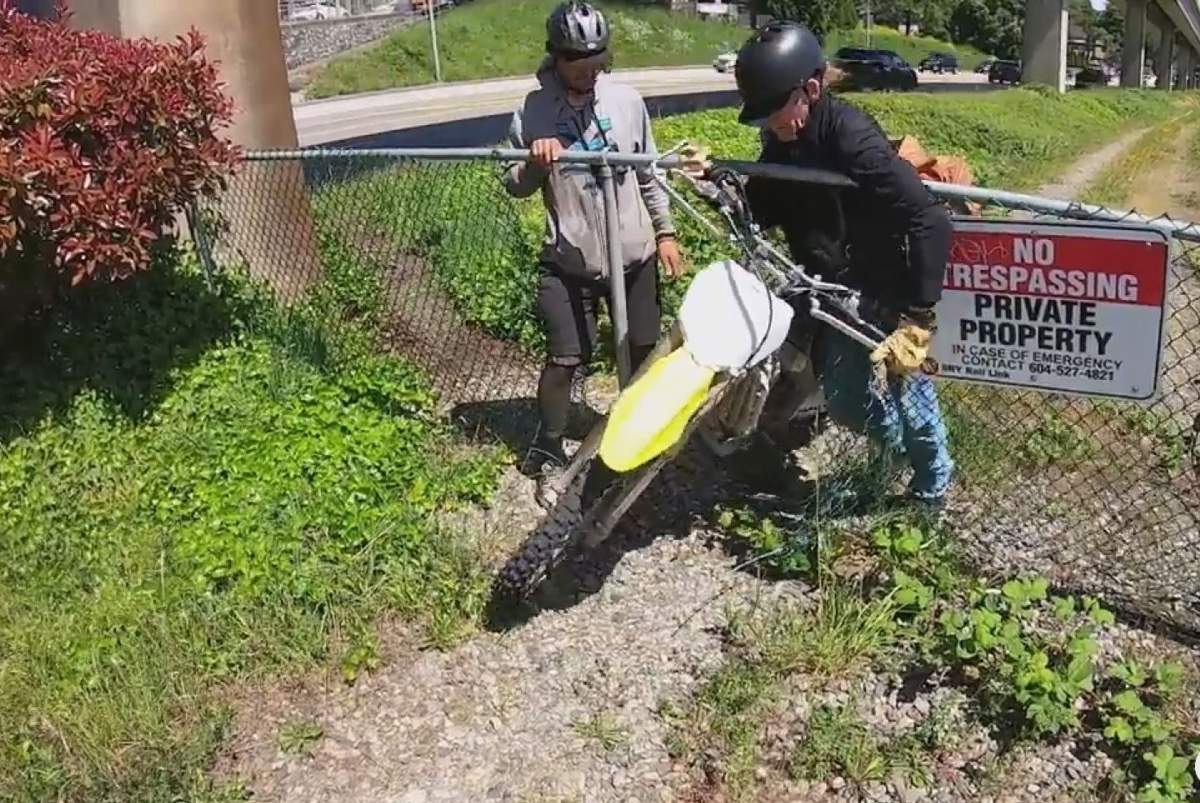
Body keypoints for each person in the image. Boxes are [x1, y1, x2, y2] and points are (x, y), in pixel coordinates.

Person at [690, 21, 955, 508]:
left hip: (886, 286)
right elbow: (765, 208)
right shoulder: (783, 140)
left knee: (911, 398)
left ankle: (931, 492)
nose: (771, 124)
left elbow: (929, 219)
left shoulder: (852, 137)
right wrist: (719, 185)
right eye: (763, 115)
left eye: (776, 111)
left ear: (811, 89)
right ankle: (894, 452)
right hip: (834, 290)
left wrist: (919, 318)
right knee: (847, 399)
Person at [502, 1, 686, 505]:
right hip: (570, 260)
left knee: (646, 357)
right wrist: (536, 165)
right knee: (566, 358)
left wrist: (665, 233)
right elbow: (514, 185)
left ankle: (643, 450)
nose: (588, 69)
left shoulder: (626, 102)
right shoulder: (533, 110)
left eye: (597, 59)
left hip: (633, 256)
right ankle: (548, 447)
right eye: (577, 60)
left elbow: (649, 173)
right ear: (556, 58)